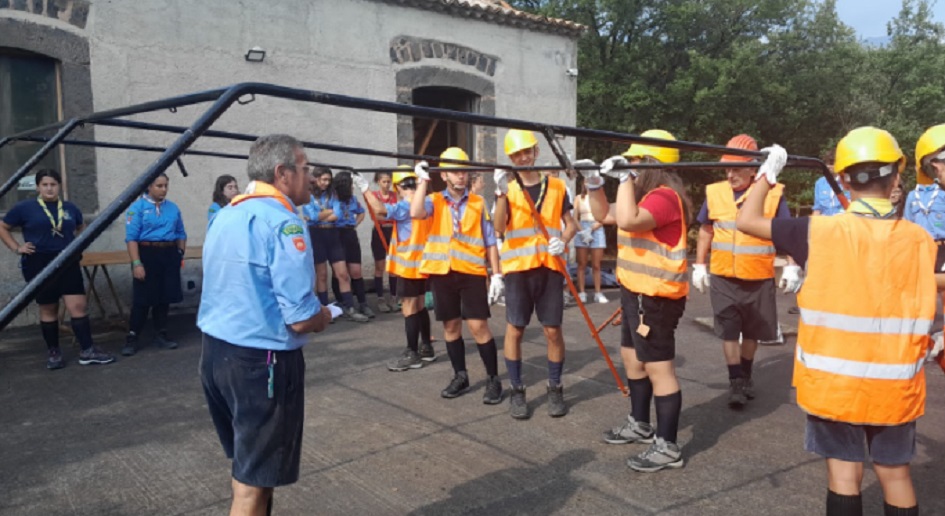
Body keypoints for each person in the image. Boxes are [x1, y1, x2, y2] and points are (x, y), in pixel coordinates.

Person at [736, 127, 939, 516]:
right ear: (897, 177)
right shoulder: (920, 241)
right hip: (894, 387)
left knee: (844, 476)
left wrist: (767, 173)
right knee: (895, 475)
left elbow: (746, 220)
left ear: (842, 178)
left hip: (835, 385)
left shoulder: (817, 231)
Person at [198, 134, 334, 516]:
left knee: (247, 466)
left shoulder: (226, 214)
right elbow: (302, 317)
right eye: (305, 169)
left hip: (216, 353)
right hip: (263, 362)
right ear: (283, 173)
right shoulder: (284, 222)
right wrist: (324, 316)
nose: (310, 177)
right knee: (253, 485)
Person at [582, 130, 692, 472]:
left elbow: (628, 220)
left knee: (660, 370)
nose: (630, 165)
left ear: (650, 164)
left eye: (635, 160)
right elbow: (604, 215)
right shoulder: (644, 196)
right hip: (636, 294)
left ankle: (668, 445)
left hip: (657, 299)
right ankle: (641, 424)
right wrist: (594, 184)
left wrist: (625, 177)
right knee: (632, 362)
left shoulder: (664, 197)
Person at [691, 134, 800, 408]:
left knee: (751, 332)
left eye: (737, 169)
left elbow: (786, 232)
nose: (731, 174)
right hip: (723, 275)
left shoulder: (773, 193)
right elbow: (706, 230)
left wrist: (792, 265)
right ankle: (735, 381)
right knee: (729, 330)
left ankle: (746, 372)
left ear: (754, 169)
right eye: (727, 168)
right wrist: (700, 265)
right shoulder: (715, 192)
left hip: (757, 276)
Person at [494, 129, 578, 418]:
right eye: (516, 154)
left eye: (526, 151)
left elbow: (571, 224)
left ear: (535, 151)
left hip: (550, 267)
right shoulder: (508, 187)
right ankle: (517, 391)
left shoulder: (555, 186)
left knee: (552, 329)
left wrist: (563, 240)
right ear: (510, 158)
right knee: (515, 329)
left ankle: (555, 387)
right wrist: (500, 193)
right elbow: (499, 226)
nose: (522, 157)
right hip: (518, 269)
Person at [410, 147, 504, 403]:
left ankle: (493, 379)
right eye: (454, 171)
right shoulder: (434, 200)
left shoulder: (477, 202)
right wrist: (421, 181)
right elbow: (416, 212)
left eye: (463, 171)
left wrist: (496, 274)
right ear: (444, 176)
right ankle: (460, 376)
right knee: (451, 327)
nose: (461, 176)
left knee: (478, 327)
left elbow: (490, 241)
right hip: (443, 273)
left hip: (471, 273)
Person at [0, 169, 115, 369]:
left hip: (67, 261)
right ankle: (54, 352)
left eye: (53, 184)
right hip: (39, 262)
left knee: (78, 306)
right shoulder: (25, 208)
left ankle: (87, 350)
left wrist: (77, 244)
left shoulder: (70, 208)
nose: (49, 188)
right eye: (44, 185)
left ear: (59, 186)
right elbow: (2, 226)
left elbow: (81, 227)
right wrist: (16, 247)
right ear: (38, 187)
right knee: (48, 307)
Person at [359, 167, 436, 370]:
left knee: (410, 308)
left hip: (409, 267)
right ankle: (426, 348)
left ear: (398, 186)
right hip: (425, 264)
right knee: (419, 306)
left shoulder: (405, 205)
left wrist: (365, 189)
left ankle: (412, 353)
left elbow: (380, 210)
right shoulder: (428, 203)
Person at [122, 173, 187, 356]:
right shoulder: (138, 208)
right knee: (142, 298)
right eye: (159, 186)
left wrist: (179, 253)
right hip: (147, 253)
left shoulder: (173, 208)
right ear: (149, 187)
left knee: (164, 296)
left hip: (168, 253)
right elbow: (132, 238)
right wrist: (136, 263)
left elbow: (181, 233)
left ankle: (161, 333)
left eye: (166, 185)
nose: (163, 189)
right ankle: (133, 336)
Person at [304, 168, 368, 323]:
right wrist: (326, 213)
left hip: (332, 235)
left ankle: (349, 308)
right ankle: (324, 309)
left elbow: (337, 214)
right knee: (322, 275)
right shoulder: (308, 195)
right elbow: (310, 216)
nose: (326, 183)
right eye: (323, 179)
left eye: (328, 180)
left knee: (342, 274)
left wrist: (320, 215)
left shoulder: (333, 194)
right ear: (316, 179)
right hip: (316, 235)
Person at [332, 171, 374, 319]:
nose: (352, 188)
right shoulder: (332, 198)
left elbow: (361, 213)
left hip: (350, 234)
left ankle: (363, 304)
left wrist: (354, 224)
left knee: (356, 271)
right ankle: (344, 303)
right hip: (336, 234)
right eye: (350, 185)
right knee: (340, 273)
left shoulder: (353, 199)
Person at [573, 176, 614, 304]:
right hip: (582, 228)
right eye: (586, 181)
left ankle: (598, 293)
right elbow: (574, 217)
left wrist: (593, 228)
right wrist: (583, 232)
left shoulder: (601, 197)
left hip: (597, 227)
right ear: (583, 183)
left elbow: (605, 215)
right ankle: (582, 292)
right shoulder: (579, 198)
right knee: (582, 264)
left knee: (596, 265)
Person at [370, 171, 398, 313]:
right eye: (384, 182)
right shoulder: (374, 196)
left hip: (393, 231)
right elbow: (375, 214)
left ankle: (394, 297)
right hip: (379, 231)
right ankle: (380, 298)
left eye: (389, 182)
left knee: (393, 267)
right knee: (380, 266)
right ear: (378, 182)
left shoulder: (395, 195)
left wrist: (386, 212)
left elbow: (397, 214)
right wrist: (390, 212)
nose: (387, 185)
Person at [811, 150, 849, 216]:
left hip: (843, 222)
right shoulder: (819, 183)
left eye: (831, 163)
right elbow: (817, 209)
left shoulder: (848, 182)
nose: (828, 166)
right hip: (825, 223)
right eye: (826, 163)